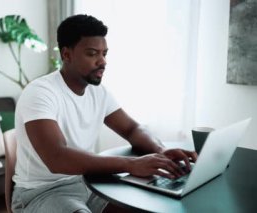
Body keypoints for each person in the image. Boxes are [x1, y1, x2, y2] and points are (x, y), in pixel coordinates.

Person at [11, 14, 197, 213]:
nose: (103, 61)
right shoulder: (40, 92)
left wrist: (160, 152)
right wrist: (131, 165)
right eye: (92, 54)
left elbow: (132, 128)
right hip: (42, 192)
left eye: (104, 53)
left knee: (148, 207)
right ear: (66, 55)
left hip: (87, 183)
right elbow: (57, 158)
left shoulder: (98, 92)